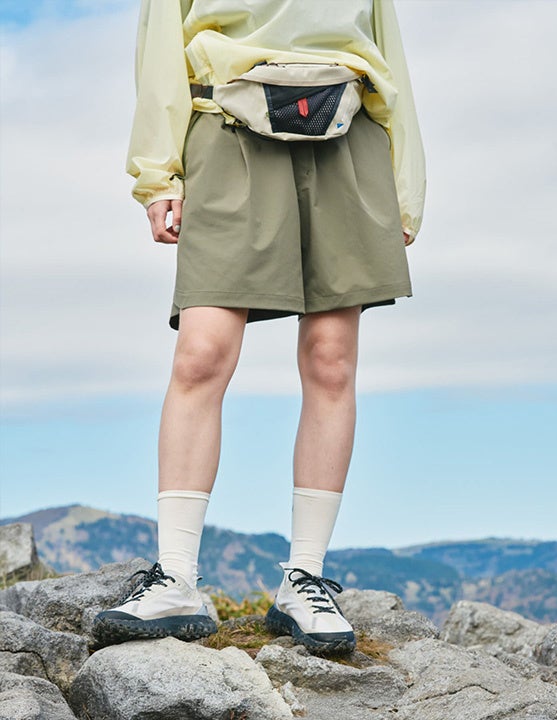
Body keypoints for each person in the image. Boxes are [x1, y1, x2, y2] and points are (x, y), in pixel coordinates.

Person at [93, 0, 425, 656]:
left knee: (332, 358)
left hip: (347, 135)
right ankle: (176, 577)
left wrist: (405, 188)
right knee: (201, 353)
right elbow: (160, 48)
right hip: (227, 128)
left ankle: (305, 579)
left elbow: (387, 49)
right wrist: (157, 174)